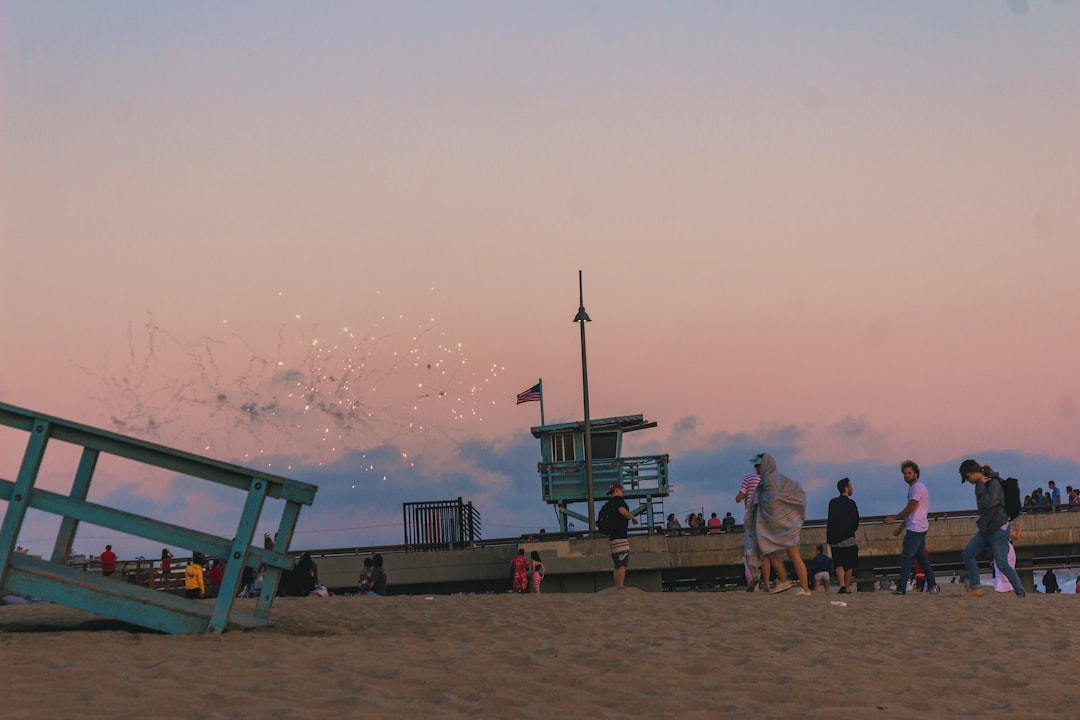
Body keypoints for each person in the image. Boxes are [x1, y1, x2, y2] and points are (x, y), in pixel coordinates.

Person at [744, 453, 811, 596]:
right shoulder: (767, 483)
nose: (756, 469)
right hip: (779, 525)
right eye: (755, 466)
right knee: (771, 550)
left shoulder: (773, 481)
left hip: (783, 524)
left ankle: (799, 586)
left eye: (758, 466)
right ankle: (791, 583)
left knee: (788, 553)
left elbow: (777, 498)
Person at [958, 459, 1026, 598]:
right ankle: (977, 588)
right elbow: (982, 505)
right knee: (967, 553)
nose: (968, 480)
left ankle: (1021, 593)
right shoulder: (980, 484)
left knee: (1002, 564)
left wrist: (981, 485)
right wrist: (980, 485)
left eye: (967, 477)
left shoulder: (994, 482)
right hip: (986, 529)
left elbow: (988, 503)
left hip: (999, 529)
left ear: (972, 473)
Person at [884, 460, 940, 596]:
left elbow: (911, 508)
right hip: (918, 526)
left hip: (916, 528)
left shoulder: (917, 487)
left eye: (909, 473)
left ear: (916, 474)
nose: (906, 475)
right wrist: (900, 527)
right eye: (904, 473)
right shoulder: (914, 488)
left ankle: (901, 588)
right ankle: (933, 586)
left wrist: (894, 518)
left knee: (906, 557)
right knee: (921, 558)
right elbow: (912, 513)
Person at [737, 460, 772, 591]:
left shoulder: (748, 478)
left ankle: (754, 581)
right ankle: (767, 585)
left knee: (749, 553)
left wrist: (741, 497)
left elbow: (739, 497)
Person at [826, 477, 860, 594]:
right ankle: (847, 586)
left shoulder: (833, 503)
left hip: (834, 538)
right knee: (849, 564)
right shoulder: (851, 503)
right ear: (846, 488)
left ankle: (841, 585)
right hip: (848, 537)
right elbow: (855, 521)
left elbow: (830, 520)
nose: (852, 488)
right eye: (850, 486)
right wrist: (852, 530)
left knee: (838, 563)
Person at [605, 482, 639, 588]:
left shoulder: (609, 503)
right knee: (622, 564)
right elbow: (623, 512)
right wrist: (632, 517)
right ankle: (620, 586)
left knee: (617, 564)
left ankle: (617, 586)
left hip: (613, 538)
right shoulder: (619, 501)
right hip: (620, 537)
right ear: (617, 490)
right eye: (622, 490)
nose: (623, 493)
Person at [995, 520, 1022, 593]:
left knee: (1000, 569)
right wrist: (1020, 528)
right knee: (1009, 568)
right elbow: (1017, 537)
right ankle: (1009, 587)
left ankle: (1002, 588)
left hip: (998, 549)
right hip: (1007, 548)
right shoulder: (1004, 528)